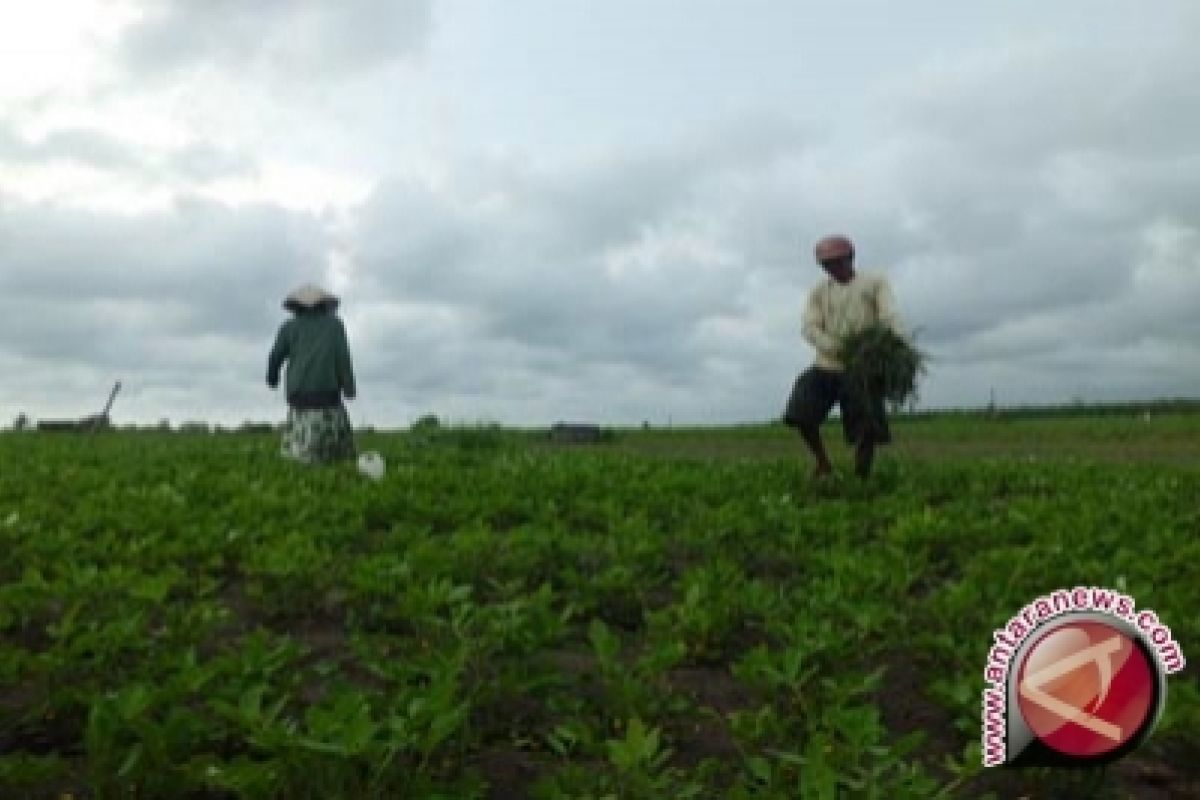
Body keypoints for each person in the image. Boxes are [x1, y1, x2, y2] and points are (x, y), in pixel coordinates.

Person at [784, 234, 905, 479]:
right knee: (800, 412)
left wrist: (894, 341)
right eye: (827, 265)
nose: (834, 268)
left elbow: (890, 316)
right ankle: (822, 464)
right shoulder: (819, 291)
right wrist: (835, 347)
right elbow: (810, 328)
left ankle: (862, 476)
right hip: (827, 365)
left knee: (866, 426)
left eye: (838, 262)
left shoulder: (874, 282)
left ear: (850, 258)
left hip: (862, 367)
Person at [266, 284, 358, 464]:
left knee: (301, 445)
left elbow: (275, 356)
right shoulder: (335, 325)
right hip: (328, 393)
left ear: (296, 307)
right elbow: (343, 358)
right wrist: (349, 388)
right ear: (324, 305)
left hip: (299, 393)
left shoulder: (288, 327)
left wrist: (272, 378)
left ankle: (305, 459)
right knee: (336, 449)